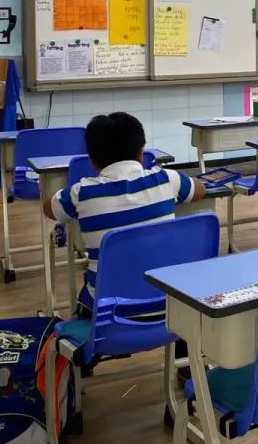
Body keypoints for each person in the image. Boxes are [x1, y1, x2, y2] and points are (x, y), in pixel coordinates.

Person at [44, 111, 204, 316]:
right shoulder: (167, 179)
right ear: (141, 152)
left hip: (107, 310)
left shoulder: (80, 193)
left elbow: (49, 209)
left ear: (92, 161)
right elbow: (200, 190)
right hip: (166, 301)